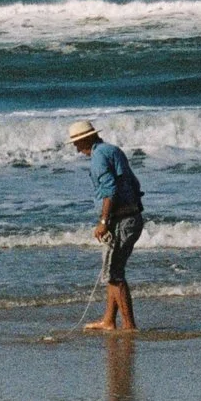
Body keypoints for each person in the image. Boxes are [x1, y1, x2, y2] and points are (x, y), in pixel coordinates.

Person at [68, 119, 144, 334]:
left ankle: (129, 326)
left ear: (87, 139)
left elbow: (110, 191)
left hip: (122, 220)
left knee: (114, 275)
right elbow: (131, 183)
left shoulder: (99, 156)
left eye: (77, 142)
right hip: (128, 217)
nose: (75, 147)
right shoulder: (111, 150)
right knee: (113, 272)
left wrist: (103, 222)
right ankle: (109, 320)